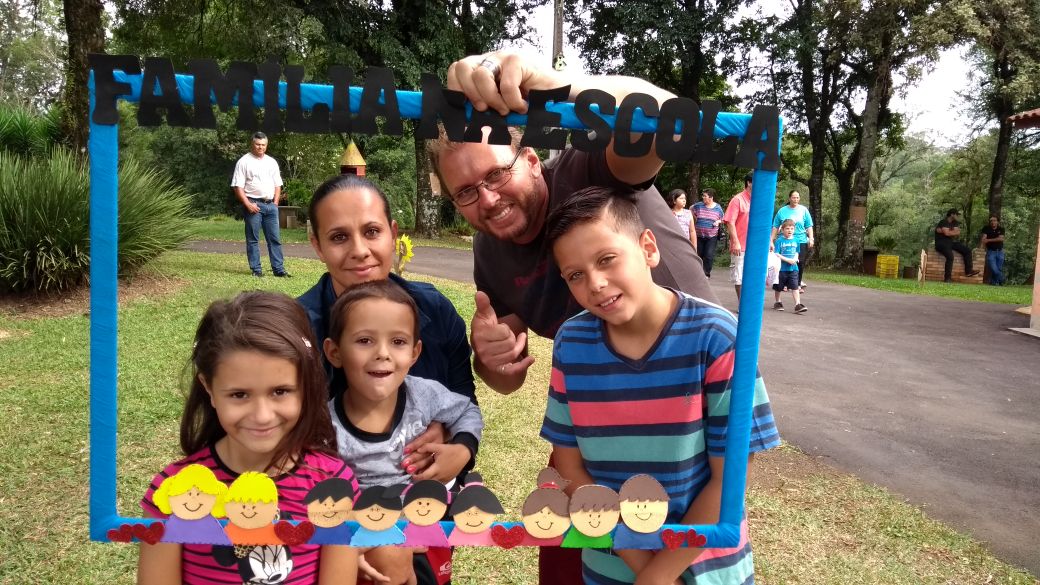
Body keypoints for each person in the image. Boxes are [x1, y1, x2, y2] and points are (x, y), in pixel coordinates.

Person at [428, 51, 717, 583]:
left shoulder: (588, 168)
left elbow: (672, 122)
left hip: (686, 410)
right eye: (466, 191)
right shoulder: (490, 251)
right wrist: (491, 359)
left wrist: (564, 88)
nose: (487, 199)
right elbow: (507, 377)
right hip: (599, 424)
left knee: (685, 550)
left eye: (497, 173)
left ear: (531, 158)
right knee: (567, 543)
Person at [540, 186, 781, 584]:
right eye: (575, 275)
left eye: (606, 259)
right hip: (612, 567)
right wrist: (646, 572)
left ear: (648, 249)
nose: (595, 283)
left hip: (708, 570)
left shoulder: (717, 337)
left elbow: (730, 478)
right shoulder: (572, 343)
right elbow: (569, 466)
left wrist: (661, 574)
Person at [137, 291, 358, 585]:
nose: (262, 416)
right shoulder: (175, 492)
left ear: (305, 385)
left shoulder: (332, 484)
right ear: (208, 388)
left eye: (280, 391)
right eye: (239, 395)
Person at [297, 174, 477, 481]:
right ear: (318, 246)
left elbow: (463, 400)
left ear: (393, 235)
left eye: (371, 231)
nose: (359, 250)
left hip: (426, 494)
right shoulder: (297, 329)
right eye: (339, 237)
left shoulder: (435, 310)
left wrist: (459, 446)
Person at [322, 279, 482, 585]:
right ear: (334, 351)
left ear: (415, 352)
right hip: (362, 543)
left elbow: (467, 411)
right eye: (365, 340)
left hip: (424, 536)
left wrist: (462, 448)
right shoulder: (325, 427)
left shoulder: (424, 396)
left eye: (398, 341)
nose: (383, 353)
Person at [231, 132, 290, 278]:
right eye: (258, 144)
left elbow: (277, 184)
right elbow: (237, 186)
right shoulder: (244, 162)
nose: (260, 147)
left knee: (274, 239)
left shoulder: (271, 162)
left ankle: (279, 270)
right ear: (252, 144)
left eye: (263, 145)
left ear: (266, 145)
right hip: (253, 204)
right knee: (253, 239)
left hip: (270, 206)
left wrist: (275, 203)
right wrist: (248, 204)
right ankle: (256, 270)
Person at [770, 190, 814, 289]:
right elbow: (775, 226)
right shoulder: (782, 211)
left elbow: (809, 226)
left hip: (800, 240)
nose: (795, 199)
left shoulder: (803, 210)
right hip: (784, 240)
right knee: (784, 261)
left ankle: (797, 284)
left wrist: (811, 238)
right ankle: (784, 283)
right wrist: (771, 240)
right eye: (794, 197)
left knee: (800, 262)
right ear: (789, 198)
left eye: (797, 197)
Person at [724, 172, 753, 301]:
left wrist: (769, 241)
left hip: (756, 245)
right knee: (739, 276)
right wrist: (735, 242)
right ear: (749, 183)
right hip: (741, 245)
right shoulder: (738, 200)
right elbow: (730, 222)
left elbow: (764, 223)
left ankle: (751, 304)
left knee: (754, 275)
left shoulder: (759, 200)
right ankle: (742, 305)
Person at [934, 208, 980, 282]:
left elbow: (957, 233)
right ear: (952, 214)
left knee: (967, 251)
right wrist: (949, 231)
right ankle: (947, 278)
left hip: (950, 242)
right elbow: (947, 233)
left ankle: (969, 271)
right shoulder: (943, 222)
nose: (957, 216)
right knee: (950, 257)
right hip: (941, 243)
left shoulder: (955, 222)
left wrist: (946, 231)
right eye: (956, 214)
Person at [772, 219, 807, 313]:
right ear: (782, 230)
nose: (790, 230)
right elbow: (776, 254)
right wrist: (788, 260)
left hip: (793, 269)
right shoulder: (779, 241)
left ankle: (798, 304)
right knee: (778, 286)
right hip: (781, 269)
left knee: (795, 286)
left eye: (792, 228)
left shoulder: (796, 240)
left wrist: (794, 259)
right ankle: (778, 302)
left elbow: (797, 252)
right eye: (787, 228)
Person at [692, 188, 724, 277]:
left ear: (711, 197)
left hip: (712, 236)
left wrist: (718, 221)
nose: (703, 197)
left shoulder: (718, 208)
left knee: (709, 255)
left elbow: (723, 219)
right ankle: (698, 273)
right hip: (699, 235)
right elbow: (691, 209)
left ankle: (706, 274)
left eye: (705, 196)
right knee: (699, 255)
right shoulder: (698, 206)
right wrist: (693, 218)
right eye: (703, 195)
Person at [979, 216, 1006, 285]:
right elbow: (984, 239)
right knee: (994, 268)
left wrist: (988, 240)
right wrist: (981, 248)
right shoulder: (986, 228)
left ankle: (994, 283)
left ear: (997, 222)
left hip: (1000, 252)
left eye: (994, 220)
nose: (992, 222)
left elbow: (1001, 239)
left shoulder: (1001, 229)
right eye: (991, 221)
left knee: (998, 268)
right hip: (991, 252)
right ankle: (1002, 279)